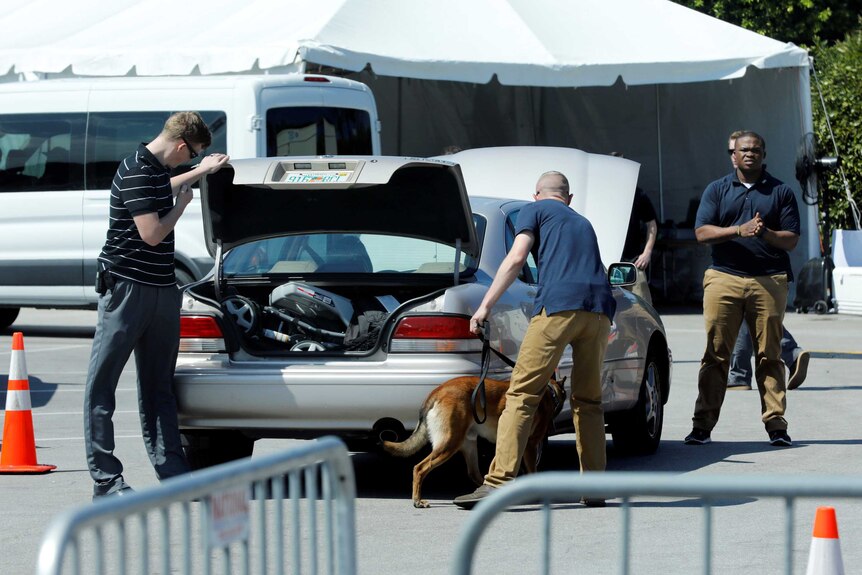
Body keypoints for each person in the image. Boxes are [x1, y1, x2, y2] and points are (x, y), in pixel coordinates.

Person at [84, 112, 230, 499]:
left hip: (163, 289)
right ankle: (106, 479)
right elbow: (151, 234)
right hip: (127, 289)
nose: (189, 160)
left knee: (159, 388)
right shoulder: (134, 169)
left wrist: (201, 170)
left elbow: (164, 184)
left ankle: (177, 478)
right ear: (182, 145)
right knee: (103, 386)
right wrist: (181, 207)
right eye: (193, 154)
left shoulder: (154, 168)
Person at [453, 171, 615, 509]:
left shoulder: (534, 210)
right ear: (568, 199)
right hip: (599, 312)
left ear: (537, 194)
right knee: (589, 402)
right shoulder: (583, 222)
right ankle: (596, 487)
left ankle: (498, 484)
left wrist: (484, 307)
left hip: (558, 308)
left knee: (523, 394)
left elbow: (516, 257)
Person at [685, 131, 800, 448]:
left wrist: (764, 235)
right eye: (744, 150)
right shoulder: (717, 190)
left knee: (770, 356)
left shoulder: (781, 191)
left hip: (770, 279)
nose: (750, 154)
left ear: (764, 154)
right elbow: (702, 232)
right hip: (724, 278)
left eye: (756, 150)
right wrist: (739, 229)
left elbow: (791, 239)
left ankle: (776, 426)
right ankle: (702, 426)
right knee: (715, 355)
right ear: (732, 155)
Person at [723, 131, 810, 391]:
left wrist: (757, 231)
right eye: (733, 152)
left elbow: (791, 236)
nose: (737, 157)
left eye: (750, 151)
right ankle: (788, 355)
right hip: (735, 270)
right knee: (756, 320)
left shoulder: (777, 190)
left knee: (754, 319)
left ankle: (741, 374)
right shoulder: (723, 189)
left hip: (765, 272)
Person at [611, 153, 658, 305]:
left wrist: (647, 253)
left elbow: (651, 224)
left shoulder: (638, 193)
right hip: (607, 261)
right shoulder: (602, 193)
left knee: (642, 306)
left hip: (633, 261)